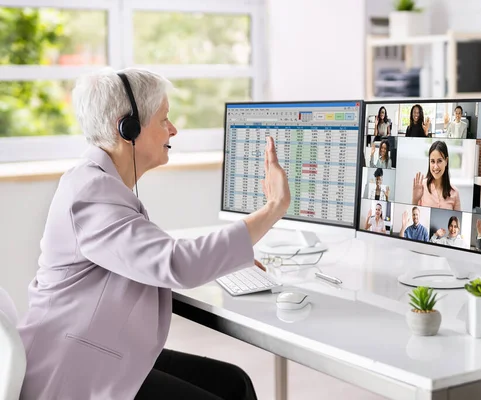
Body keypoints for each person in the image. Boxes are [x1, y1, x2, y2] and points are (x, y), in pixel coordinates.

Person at [16, 68, 291, 400]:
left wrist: (228, 259)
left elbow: (153, 255)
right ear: (127, 127)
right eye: (164, 119)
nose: (173, 129)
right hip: (72, 372)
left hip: (96, 350)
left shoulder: (100, 184)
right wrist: (274, 207)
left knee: (234, 383)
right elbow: (177, 263)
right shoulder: (90, 193)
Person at [412, 141, 462, 211]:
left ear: (446, 161)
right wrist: (414, 200)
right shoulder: (422, 187)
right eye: (432, 161)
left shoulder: (455, 193)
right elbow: (416, 213)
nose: (435, 167)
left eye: (439, 161)